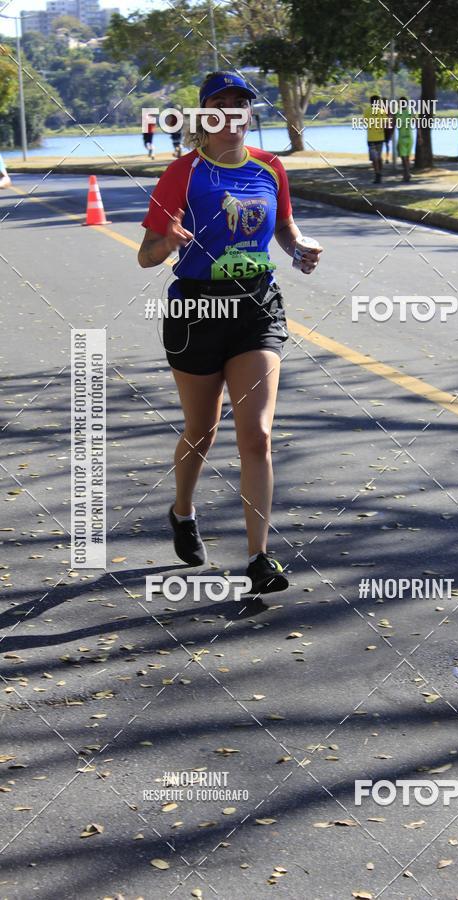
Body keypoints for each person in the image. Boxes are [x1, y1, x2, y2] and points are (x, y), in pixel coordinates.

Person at [138, 71, 322, 596]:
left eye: (241, 104)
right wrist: (167, 243)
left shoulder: (270, 167)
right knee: (202, 429)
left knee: (257, 434)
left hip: (256, 308)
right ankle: (182, 511)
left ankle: (259, 558)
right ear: (203, 116)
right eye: (219, 105)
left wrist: (300, 248)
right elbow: (144, 255)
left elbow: (284, 228)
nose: (231, 114)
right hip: (197, 309)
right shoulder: (183, 172)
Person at [363, 94, 386, 184]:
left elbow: (365, 122)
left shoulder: (367, 111)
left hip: (371, 138)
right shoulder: (381, 111)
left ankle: (377, 174)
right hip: (380, 137)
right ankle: (380, 172)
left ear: (371, 102)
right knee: (379, 157)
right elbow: (385, 123)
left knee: (374, 158)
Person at [396, 97, 414, 183]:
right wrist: (420, 137)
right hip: (410, 137)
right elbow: (417, 124)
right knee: (407, 158)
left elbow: (392, 124)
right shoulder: (410, 112)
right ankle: (407, 173)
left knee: (404, 158)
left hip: (402, 138)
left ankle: (406, 174)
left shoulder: (397, 113)